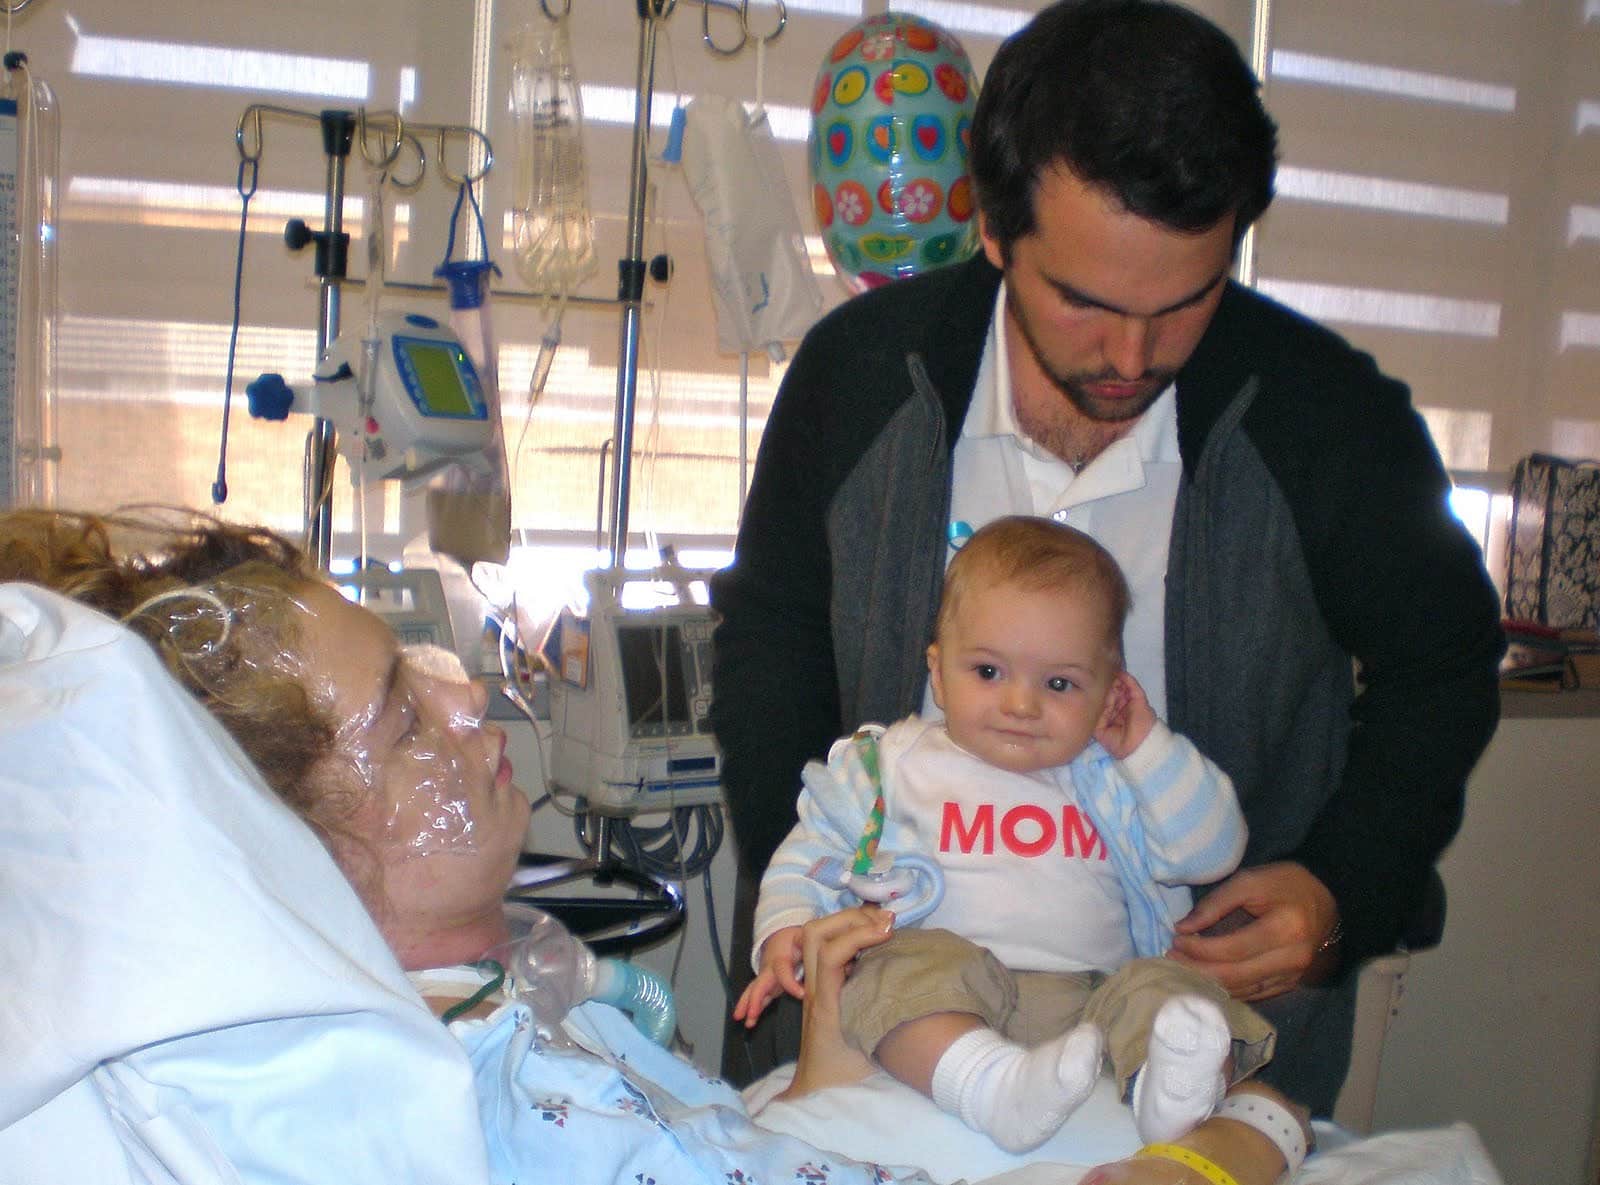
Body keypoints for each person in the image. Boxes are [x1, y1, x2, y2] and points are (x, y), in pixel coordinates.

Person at [0, 507, 1312, 1185]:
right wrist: (1234, 1146)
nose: (467, 699)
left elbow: (714, 1143)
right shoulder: (471, 1094)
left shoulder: (515, 1009)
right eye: (403, 716)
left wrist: (819, 1075)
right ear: (283, 858)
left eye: (423, 666)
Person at [710, 0, 1505, 1115]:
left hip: (1190, 1054)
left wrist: (1341, 889)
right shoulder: (858, 382)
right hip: (874, 1028)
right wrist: (805, 900)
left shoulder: (1327, 421)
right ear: (995, 232)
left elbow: (1445, 663)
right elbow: (770, 642)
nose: (1132, 355)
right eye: (1083, 301)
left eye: (1185, 301)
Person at [737, 516, 1273, 1151]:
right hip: (945, 992)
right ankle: (986, 1085)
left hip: (1093, 1000)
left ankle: (1169, 1094)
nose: (1021, 705)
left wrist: (1144, 745)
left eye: (1059, 684)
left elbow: (1211, 854)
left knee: (1176, 996)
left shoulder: (1115, 777)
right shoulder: (892, 764)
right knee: (889, 975)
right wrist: (788, 928)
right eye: (988, 672)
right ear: (938, 673)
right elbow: (811, 853)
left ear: (1110, 694)